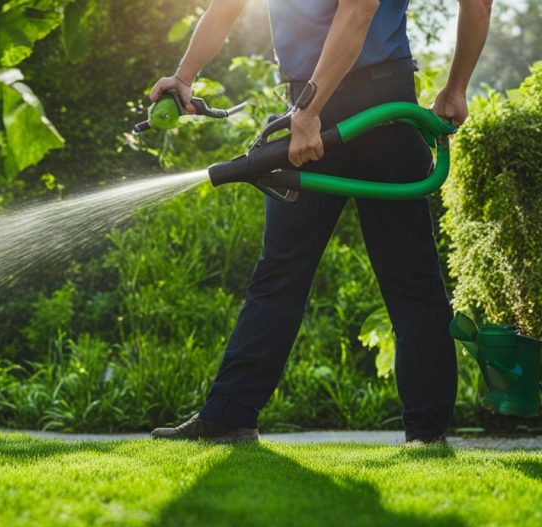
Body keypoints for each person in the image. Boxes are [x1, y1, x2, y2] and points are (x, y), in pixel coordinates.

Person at [149, 0, 493, 445]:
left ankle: (424, 433)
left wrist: (309, 112)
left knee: (398, 274)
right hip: (338, 105)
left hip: (353, 110)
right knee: (288, 270)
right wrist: (185, 75)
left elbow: (360, 7)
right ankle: (232, 417)